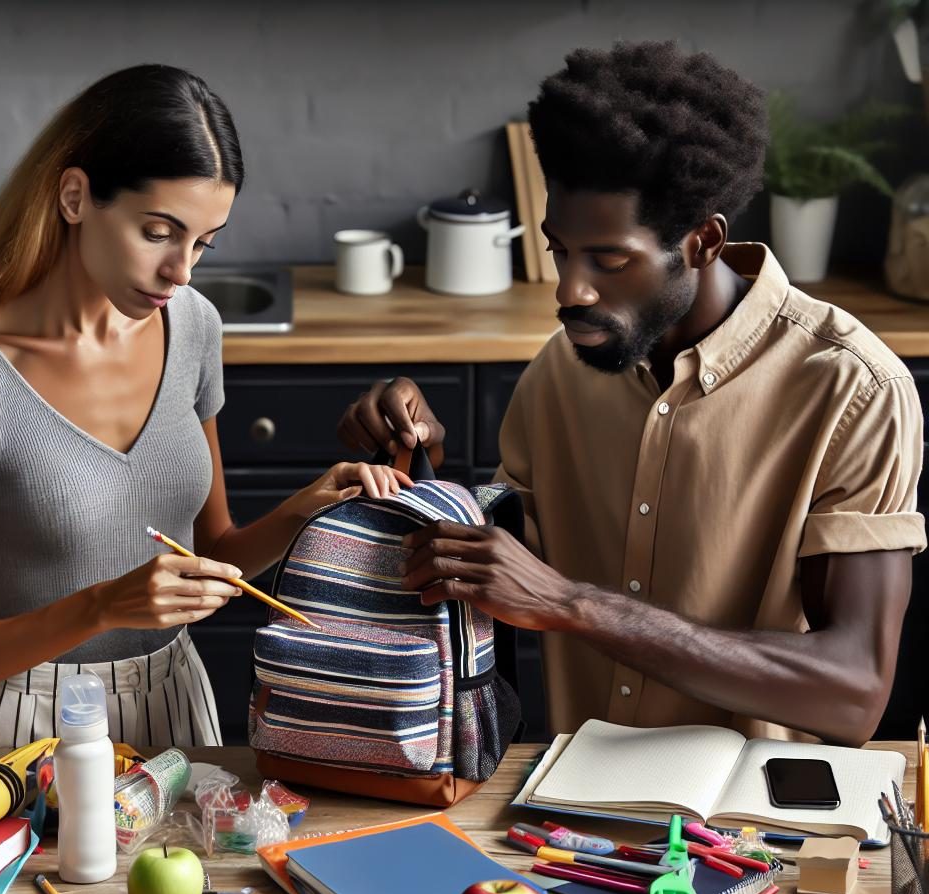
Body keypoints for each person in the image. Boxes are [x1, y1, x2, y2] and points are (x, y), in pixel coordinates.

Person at [338, 41, 926, 747]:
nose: (570, 291)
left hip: (750, 809)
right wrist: (422, 471)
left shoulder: (853, 388)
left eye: (610, 260)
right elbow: (507, 573)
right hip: (563, 798)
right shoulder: (560, 372)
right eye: (559, 250)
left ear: (703, 242)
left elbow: (853, 693)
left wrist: (576, 606)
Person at [0, 64, 408, 751]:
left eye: (203, 242)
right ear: (76, 197)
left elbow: (214, 549)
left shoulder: (193, 324)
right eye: (158, 232)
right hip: (30, 729)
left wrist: (307, 507)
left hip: (177, 711)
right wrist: (105, 605)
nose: (183, 270)